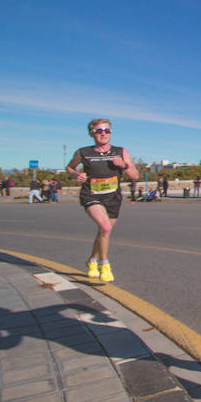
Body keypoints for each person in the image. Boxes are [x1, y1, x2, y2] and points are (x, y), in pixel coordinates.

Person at [66, 118, 138, 282]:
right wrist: (77, 174)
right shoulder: (83, 152)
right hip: (91, 195)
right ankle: (104, 264)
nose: (103, 134)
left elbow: (135, 176)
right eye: (99, 130)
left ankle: (91, 260)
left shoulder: (120, 152)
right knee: (105, 227)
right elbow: (70, 167)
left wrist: (123, 166)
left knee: (103, 232)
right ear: (92, 133)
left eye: (107, 130)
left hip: (113, 197)